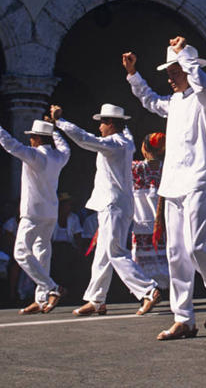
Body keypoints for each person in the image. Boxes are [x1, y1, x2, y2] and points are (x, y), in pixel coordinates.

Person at [122, 38, 206, 340]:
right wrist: (134, 75)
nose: (170, 77)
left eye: (175, 71)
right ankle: (184, 318)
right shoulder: (173, 104)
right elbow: (148, 99)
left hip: (200, 180)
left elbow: (202, 83)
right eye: (168, 72)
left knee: (199, 245)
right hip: (173, 183)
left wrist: (185, 57)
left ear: (187, 68)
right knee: (176, 253)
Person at [51, 104, 163, 317]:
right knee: (102, 254)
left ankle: (148, 290)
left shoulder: (114, 143)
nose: (99, 127)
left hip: (113, 205)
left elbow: (85, 139)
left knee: (115, 252)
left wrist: (60, 121)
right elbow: (122, 130)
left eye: (102, 122)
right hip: (113, 205)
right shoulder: (126, 140)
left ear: (111, 124)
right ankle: (96, 300)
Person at [0, 104, 70, 314]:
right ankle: (41, 299)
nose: (30, 139)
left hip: (33, 213)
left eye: (32, 136)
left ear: (37, 139)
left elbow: (10, 144)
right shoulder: (59, 157)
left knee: (21, 253)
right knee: (42, 254)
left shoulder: (35, 155)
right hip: (50, 213)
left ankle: (51, 287)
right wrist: (55, 130)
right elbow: (65, 147)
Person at [131, 132, 170, 291]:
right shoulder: (167, 169)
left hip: (141, 221)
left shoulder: (135, 168)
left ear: (145, 148)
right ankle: (162, 290)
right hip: (162, 222)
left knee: (142, 261)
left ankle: (148, 291)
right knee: (163, 258)